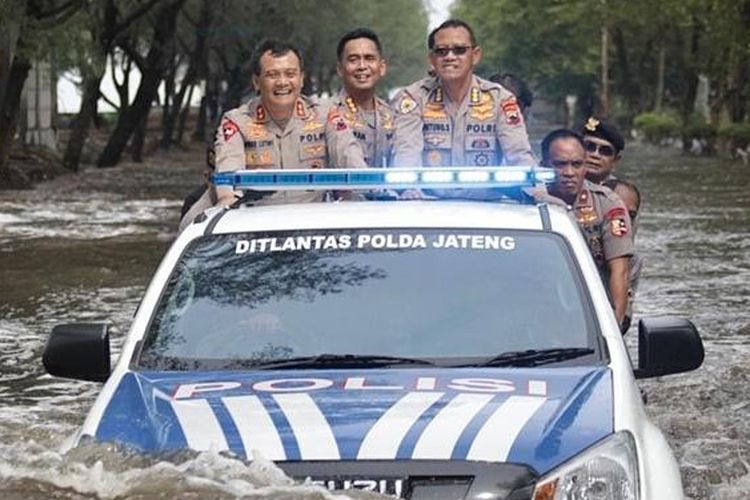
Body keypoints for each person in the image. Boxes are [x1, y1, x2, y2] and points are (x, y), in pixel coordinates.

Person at [179, 39, 367, 231]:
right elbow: (228, 172)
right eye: (272, 75)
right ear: (256, 82)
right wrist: (226, 199)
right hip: (254, 228)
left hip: (314, 226)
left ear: (301, 79)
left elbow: (350, 158)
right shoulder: (237, 122)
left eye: (290, 74)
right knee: (189, 229)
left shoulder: (326, 115)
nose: (283, 82)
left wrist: (361, 189)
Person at [391, 19, 535, 170]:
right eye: (441, 51)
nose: (450, 57)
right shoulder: (414, 98)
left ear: (475, 55)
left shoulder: (500, 99)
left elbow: (520, 156)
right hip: (427, 194)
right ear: (432, 59)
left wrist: (537, 192)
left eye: (459, 50)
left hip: (490, 194)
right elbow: (406, 154)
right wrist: (409, 189)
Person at [538, 129, 634, 329]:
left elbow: (620, 270)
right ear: (543, 165)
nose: (569, 173)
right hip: (539, 305)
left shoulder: (608, 203)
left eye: (576, 164)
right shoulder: (527, 201)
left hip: (593, 307)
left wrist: (613, 329)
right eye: (560, 164)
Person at [332, 28, 394, 167]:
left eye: (369, 58)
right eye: (353, 60)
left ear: (382, 67)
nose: (362, 66)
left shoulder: (392, 115)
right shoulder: (325, 113)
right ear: (340, 69)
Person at [604, 178, 642, 332]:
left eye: (630, 215)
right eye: (617, 212)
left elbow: (624, 321)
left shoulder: (632, 260)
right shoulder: (572, 244)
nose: (623, 220)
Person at [581, 116, 625, 184]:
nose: (595, 155)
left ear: (615, 161)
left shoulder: (621, 192)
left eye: (605, 151)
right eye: (589, 147)